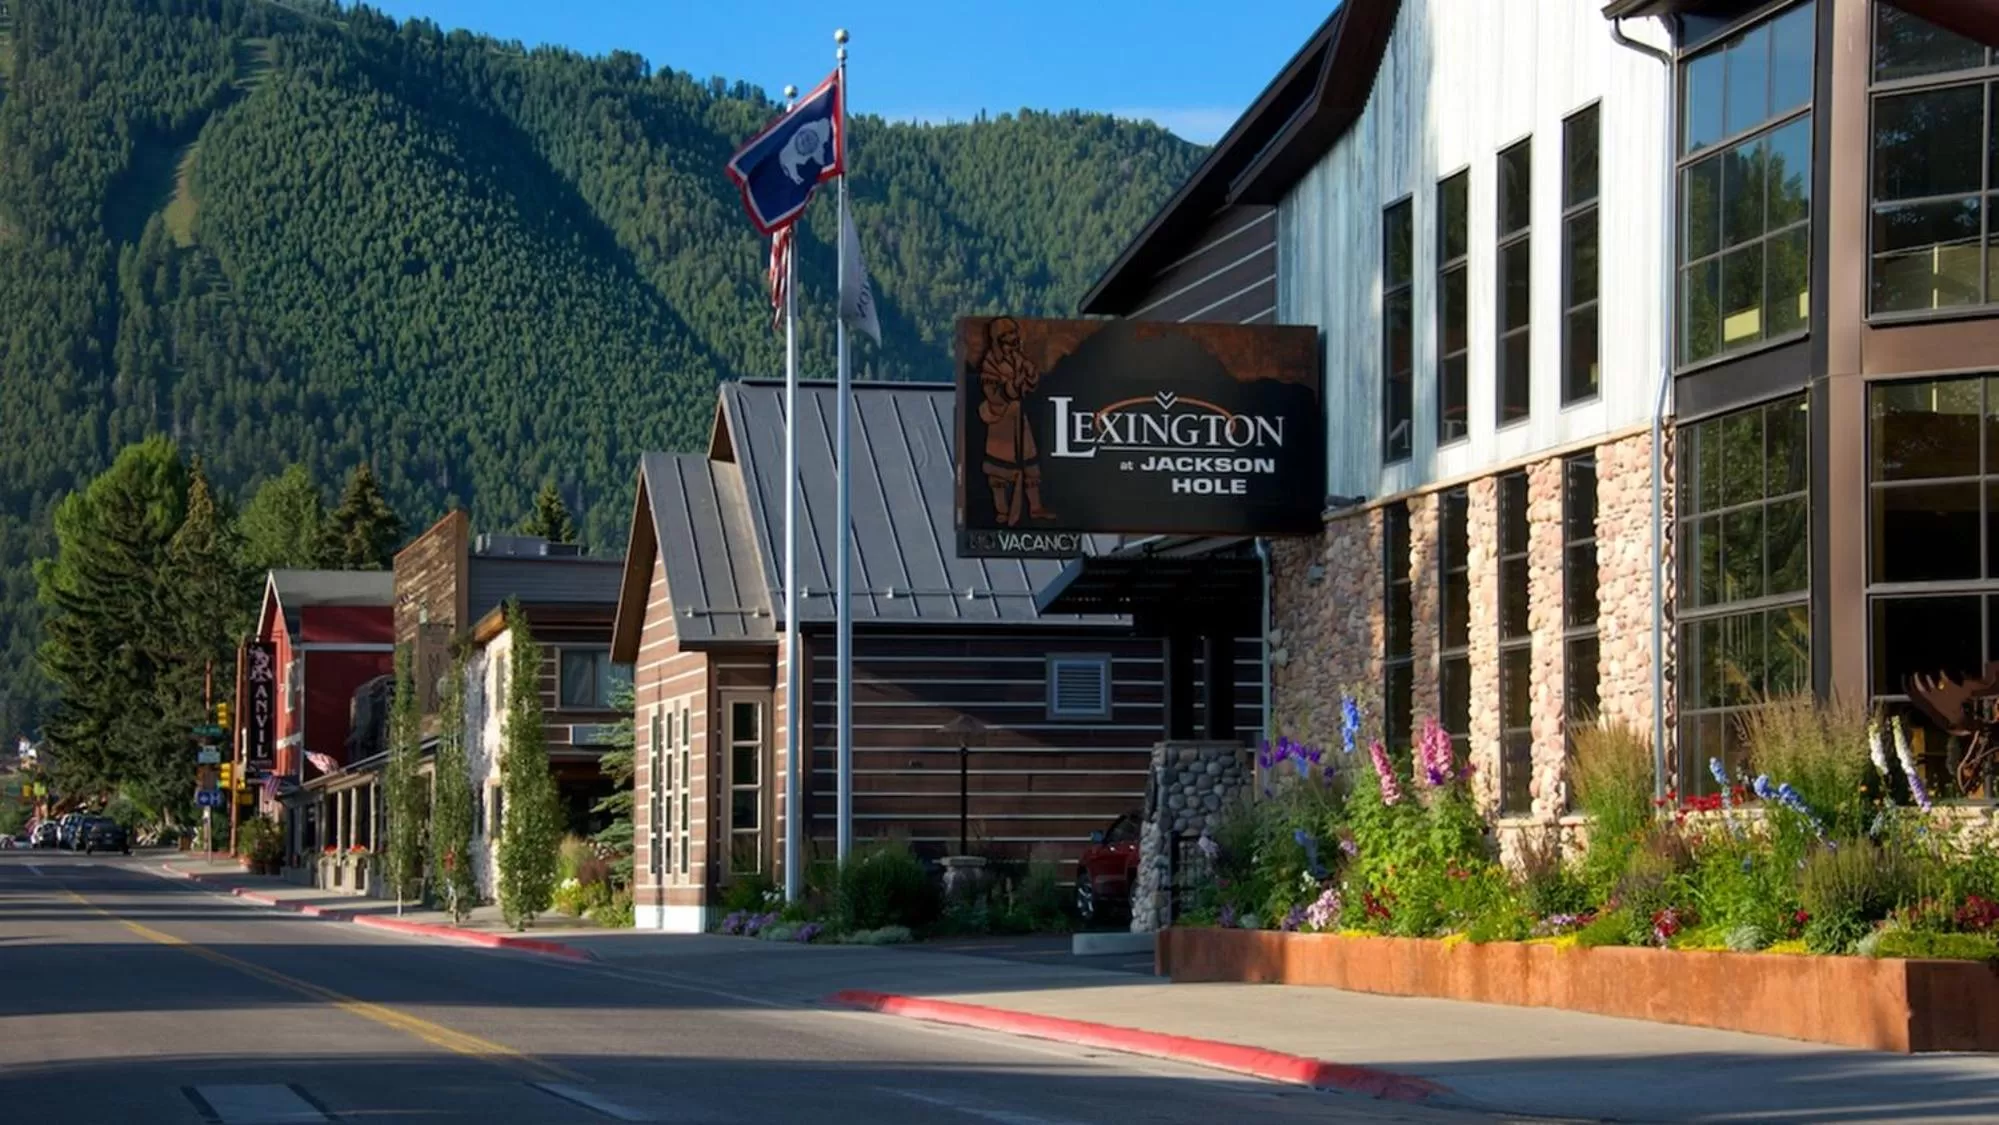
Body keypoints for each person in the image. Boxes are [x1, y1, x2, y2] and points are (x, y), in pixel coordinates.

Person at [977, 317, 1055, 525]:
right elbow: (992, 393)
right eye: (1009, 338)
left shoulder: (1018, 358)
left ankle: (1035, 508)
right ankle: (1002, 510)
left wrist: (1030, 375)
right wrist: (1013, 386)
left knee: (1029, 463)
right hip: (1001, 420)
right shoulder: (991, 362)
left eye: (1015, 337)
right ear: (999, 340)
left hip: (1020, 418)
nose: (1014, 342)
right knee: (999, 470)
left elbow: (1030, 384)